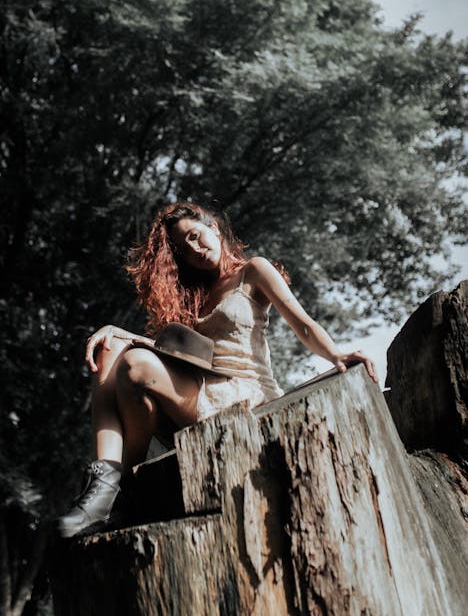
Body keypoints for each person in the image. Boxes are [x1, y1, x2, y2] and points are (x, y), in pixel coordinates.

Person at [57, 202, 377, 538]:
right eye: (183, 250)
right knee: (111, 349)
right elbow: (172, 353)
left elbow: (303, 324)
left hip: (242, 396)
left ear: (214, 226)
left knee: (135, 365)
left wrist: (336, 354)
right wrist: (120, 333)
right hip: (199, 389)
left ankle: (124, 487)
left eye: (196, 236)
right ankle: (104, 487)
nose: (194, 249)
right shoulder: (195, 296)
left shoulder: (253, 270)